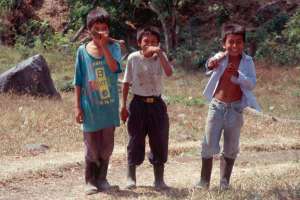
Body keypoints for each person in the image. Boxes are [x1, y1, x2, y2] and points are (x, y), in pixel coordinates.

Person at [196, 23, 261, 190]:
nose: (234, 46)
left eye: (238, 42)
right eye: (231, 42)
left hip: (236, 108)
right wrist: (213, 63)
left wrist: (238, 75)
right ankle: (204, 181)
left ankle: (224, 182)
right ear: (223, 43)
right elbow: (209, 66)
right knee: (209, 144)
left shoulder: (247, 61)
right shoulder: (220, 58)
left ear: (244, 44)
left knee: (231, 146)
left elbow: (251, 83)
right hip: (217, 107)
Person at [73, 7, 122, 195]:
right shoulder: (82, 51)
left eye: (104, 28)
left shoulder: (114, 48)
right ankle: (89, 180)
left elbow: (114, 68)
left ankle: (102, 179)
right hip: (90, 107)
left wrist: (104, 47)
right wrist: (77, 106)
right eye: (97, 28)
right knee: (91, 146)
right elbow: (78, 81)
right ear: (89, 30)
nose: (101, 32)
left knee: (107, 145)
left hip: (109, 107)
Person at [120, 26, 173, 189]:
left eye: (154, 42)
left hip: (156, 104)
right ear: (139, 43)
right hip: (138, 104)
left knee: (159, 139)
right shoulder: (133, 58)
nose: (149, 44)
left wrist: (161, 54)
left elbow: (169, 72)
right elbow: (126, 83)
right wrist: (123, 106)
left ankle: (159, 179)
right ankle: (131, 177)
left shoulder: (160, 57)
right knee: (135, 139)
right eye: (146, 41)